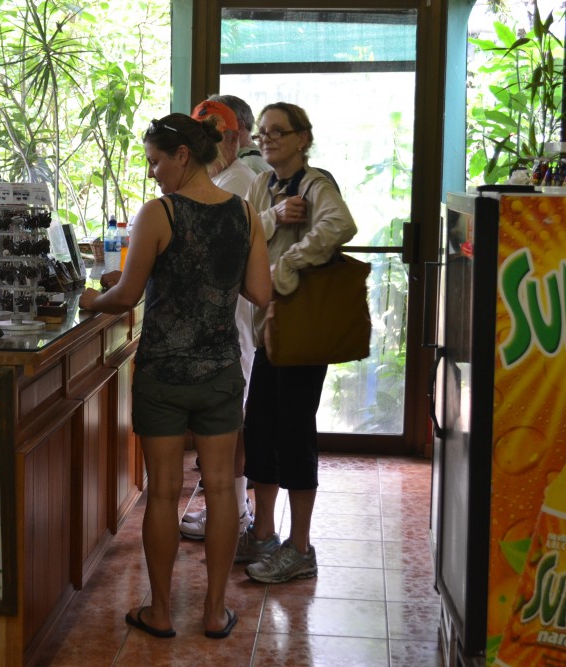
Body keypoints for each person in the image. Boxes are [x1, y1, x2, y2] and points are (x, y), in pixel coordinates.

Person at [79, 113, 271, 639]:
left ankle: (161, 612)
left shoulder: (160, 213)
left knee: (163, 493)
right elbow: (261, 292)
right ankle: (214, 612)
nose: (152, 172)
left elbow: (126, 296)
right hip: (220, 370)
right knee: (222, 492)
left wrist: (90, 297)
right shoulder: (246, 214)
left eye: (156, 161)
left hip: (164, 370)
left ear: (183, 155)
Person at [237, 102, 358, 583]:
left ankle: (300, 546)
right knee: (260, 429)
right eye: (263, 132)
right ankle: (263, 534)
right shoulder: (265, 185)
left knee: (294, 434)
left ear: (303, 138)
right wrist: (273, 219)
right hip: (270, 329)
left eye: (278, 132)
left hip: (302, 329)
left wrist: (285, 266)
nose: (267, 139)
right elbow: (247, 232)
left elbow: (340, 225)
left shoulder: (315, 183)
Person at [179, 99, 256, 541]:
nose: (208, 143)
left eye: (214, 134)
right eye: (200, 135)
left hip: (236, 320)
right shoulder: (224, 178)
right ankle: (232, 509)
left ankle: (236, 513)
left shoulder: (240, 181)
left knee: (232, 423)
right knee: (226, 421)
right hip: (227, 320)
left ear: (234, 135)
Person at [207, 94, 271, 175]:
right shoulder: (247, 159)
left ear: (239, 127)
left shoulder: (248, 166)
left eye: (214, 124)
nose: (206, 132)